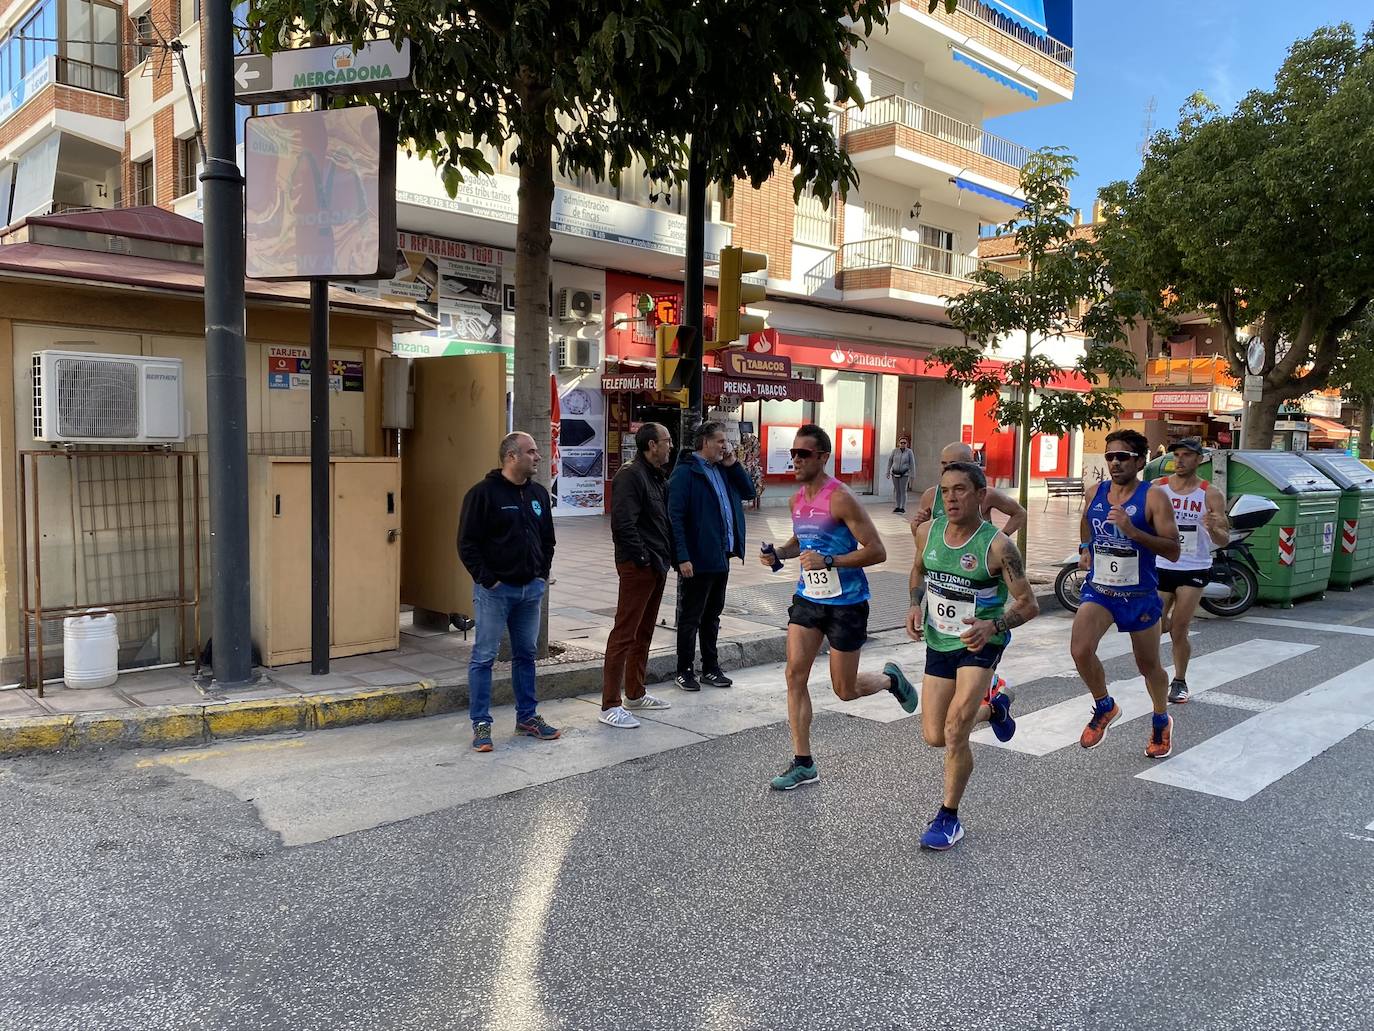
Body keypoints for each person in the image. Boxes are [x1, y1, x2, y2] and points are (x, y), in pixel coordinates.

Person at [762, 425, 919, 790]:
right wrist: (778, 554)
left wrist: (829, 561)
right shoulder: (796, 499)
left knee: (844, 690)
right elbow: (801, 541)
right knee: (793, 676)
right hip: (808, 599)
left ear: (823, 457)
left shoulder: (842, 498)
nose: (795, 460)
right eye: (793, 453)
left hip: (847, 603)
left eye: (804, 454)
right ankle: (803, 762)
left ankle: (889, 679)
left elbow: (877, 551)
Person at [901, 461, 1038, 850]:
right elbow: (916, 571)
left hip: (981, 644)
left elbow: (1028, 605)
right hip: (939, 641)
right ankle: (995, 707)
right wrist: (914, 605)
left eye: (961, 490)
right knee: (933, 735)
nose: (951, 498)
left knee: (955, 730)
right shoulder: (927, 533)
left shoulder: (998, 546)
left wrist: (993, 627)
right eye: (945, 491)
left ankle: (948, 817)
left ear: (981, 496)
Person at [1071, 428, 1181, 759]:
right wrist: (1085, 547)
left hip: (1139, 594)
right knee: (1080, 650)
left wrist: (1133, 531)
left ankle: (1161, 719)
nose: (1115, 463)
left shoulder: (1153, 498)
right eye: (1110, 457)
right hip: (1101, 590)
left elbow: (1173, 550)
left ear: (1140, 460)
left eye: (1123, 457)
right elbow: (1086, 521)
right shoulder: (1095, 493)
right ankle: (1105, 706)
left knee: (1148, 666)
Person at [458, 431, 560, 752]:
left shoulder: (539, 494)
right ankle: (481, 724)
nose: (538, 457)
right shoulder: (483, 494)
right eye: (531, 452)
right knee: (484, 657)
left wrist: (541, 575)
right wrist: (488, 580)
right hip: (495, 592)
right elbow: (467, 544)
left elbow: (548, 539)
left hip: (530, 591)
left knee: (526, 655)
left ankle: (527, 717)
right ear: (512, 456)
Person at [667, 420, 756, 692]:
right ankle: (684, 670)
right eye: (720, 441)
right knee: (690, 616)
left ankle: (710, 668)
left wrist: (733, 464)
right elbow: (675, 518)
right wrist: (682, 556)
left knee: (712, 615)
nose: (724, 446)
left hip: (721, 555)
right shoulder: (686, 473)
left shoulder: (723, 469)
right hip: (697, 558)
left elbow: (749, 492)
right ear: (705, 442)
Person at [600, 423, 677, 729]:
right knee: (624, 633)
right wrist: (643, 559)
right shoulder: (631, 476)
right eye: (666, 441)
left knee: (644, 631)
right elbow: (623, 524)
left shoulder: (657, 476)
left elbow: (661, 520)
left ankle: (635, 692)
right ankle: (609, 704)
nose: (670, 446)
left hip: (656, 564)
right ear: (650, 446)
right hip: (639, 566)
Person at [1154, 438, 1230, 704]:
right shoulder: (1158, 488)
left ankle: (1179, 680)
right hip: (1162, 564)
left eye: (1187, 455)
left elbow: (1224, 540)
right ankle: (1155, 673)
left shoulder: (1210, 494)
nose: (1181, 460)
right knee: (1156, 624)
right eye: (1177, 454)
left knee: (1179, 628)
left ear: (1200, 460)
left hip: (1193, 566)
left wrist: (1212, 528)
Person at [912, 442, 1027, 537]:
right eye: (943, 463)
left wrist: (1002, 537)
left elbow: (1019, 513)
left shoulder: (986, 494)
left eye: (953, 463)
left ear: (970, 464)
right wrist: (916, 526)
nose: (946, 468)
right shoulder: (931, 495)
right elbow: (921, 539)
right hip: (944, 562)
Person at [886, 437, 915, 513]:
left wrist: (912, 474)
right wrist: (888, 471)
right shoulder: (895, 451)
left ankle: (903, 507)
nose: (902, 444)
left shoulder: (909, 452)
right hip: (895, 473)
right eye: (901, 442)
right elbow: (890, 461)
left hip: (904, 474)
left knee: (903, 490)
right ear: (898, 443)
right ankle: (897, 506)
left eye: (904, 443)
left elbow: (912, 463)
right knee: (897, 490)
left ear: (907, 444)